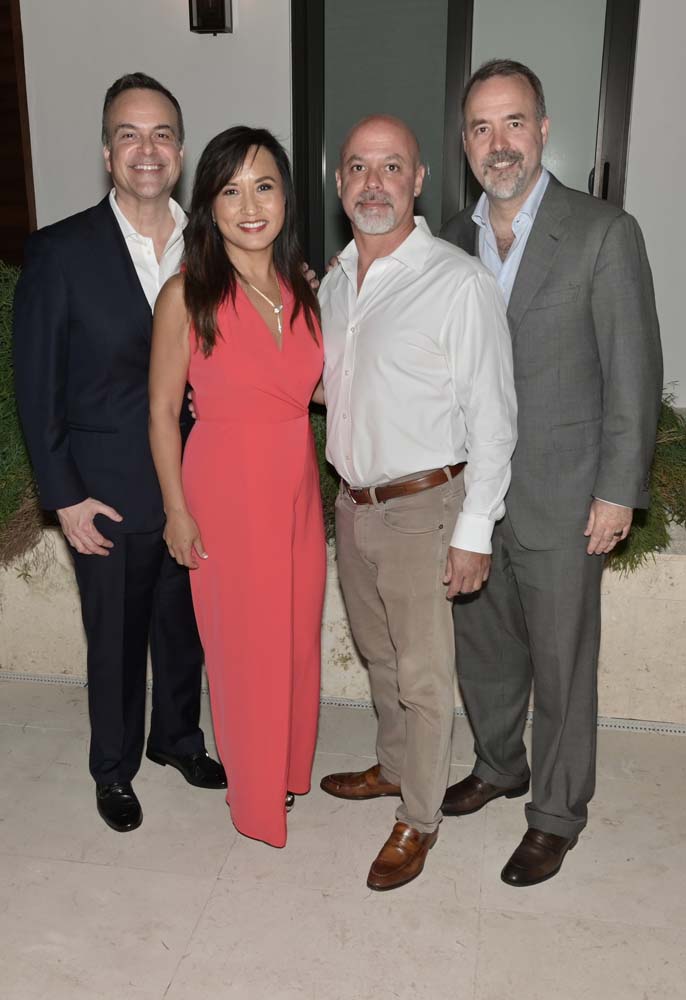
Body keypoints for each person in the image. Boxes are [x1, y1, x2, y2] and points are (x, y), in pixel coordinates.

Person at [440, 59, 663, 886]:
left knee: (564, 666)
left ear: (542, 129)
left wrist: (617, 490)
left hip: (566, 496)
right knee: (485, 649)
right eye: (481, 127)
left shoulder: (603, 231)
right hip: (472, 501)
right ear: (464, 142)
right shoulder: (448, 242)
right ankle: (501, 765)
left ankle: (557, 814)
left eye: (513, 123)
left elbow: (632, 372)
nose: (499, 144)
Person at [12, 73, 225, 835]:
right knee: (114, 639)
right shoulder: (60, 252)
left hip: (198, 482)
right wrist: (62, 495)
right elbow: (36, 389)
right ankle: (114, 768)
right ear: (108, 153)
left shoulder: (217, 242)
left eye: (162, 133)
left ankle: (177, 740)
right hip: (105, 491)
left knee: (183, 625)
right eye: (129, 135)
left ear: (180, 150)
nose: (147, 149)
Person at [317, 115, 517, 890]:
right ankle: (396, 769)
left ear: (420, 180)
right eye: (359, 167)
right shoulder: (335, 283)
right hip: (352, 506)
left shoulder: (457, 281)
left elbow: (495, 419)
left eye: (391, 167)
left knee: (425, 675)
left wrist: (475, 532)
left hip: (425, 509)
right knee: (379, 658)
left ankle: (420, 819)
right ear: (340, 184)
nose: (374, 183)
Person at [148, 127, 325, 849]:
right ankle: (255, 802)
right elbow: (162, 411)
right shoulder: (185, 294)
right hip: (224, 488)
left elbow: (312, 392)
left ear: (286, 196)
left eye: (264, 186)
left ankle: (285, 768)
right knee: (245, 650)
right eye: (230, 190)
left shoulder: (302, 290)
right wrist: (176, 512)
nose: (250, 205)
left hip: (296, 490)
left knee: (295, 639)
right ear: (209, 206)